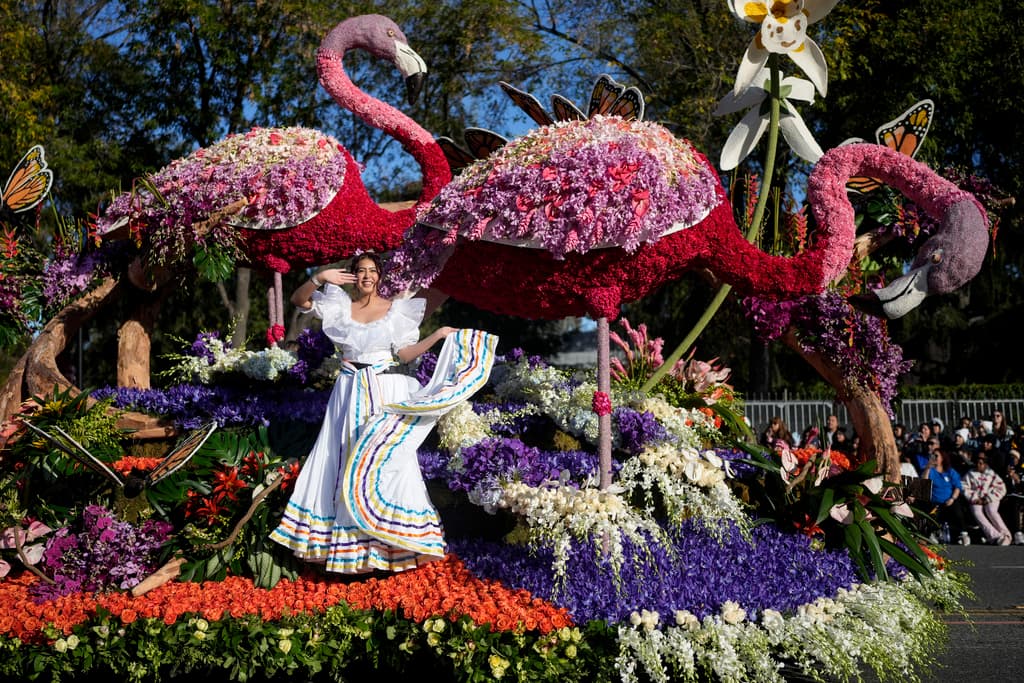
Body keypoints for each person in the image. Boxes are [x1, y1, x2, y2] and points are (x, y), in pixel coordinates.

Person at [270, 253, 497, 574]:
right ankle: (347, 549)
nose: (366, 277)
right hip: (347, 392)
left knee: (382, 459)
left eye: (372, 271)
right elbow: (298, 299)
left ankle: (386, 542)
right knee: (341, 457)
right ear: (350, 276)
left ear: (380, 277)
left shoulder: (396, 311)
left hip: (380, 388)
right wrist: (320, 278)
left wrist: (437, 336)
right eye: (360, 271)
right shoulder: (337, 306)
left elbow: (403, 353)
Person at [962, 454, 1012, 545]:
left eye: (981, 463)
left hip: (991, 498)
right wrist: (974, 497)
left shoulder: (992, 474)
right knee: (977, 512)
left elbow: (1001, 488)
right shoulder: (970, 474)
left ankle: (1006, 535)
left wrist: (988, 498)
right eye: (977, 463)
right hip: (976, 499)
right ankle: (995, 536)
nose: (978, 465)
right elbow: (964, 487)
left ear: (985, 464)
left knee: (991, 510)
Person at [923, 448, 969, 544]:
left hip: (949, 500)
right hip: (935, 501)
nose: (934, 458)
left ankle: (964, 534)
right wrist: (928, 467)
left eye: (936, 456)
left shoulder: (950, 471)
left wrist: (952, 499)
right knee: (932, 514)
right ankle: (933, 534)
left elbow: (957, 487)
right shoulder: (931, 471)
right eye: (933, 455)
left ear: (942, 458)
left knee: (958, 512)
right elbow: (924, 482)